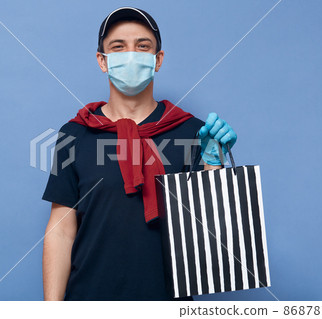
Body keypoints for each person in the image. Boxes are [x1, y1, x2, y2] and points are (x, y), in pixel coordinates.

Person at [41, 7, 237, 301]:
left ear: (158, 60)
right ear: (102, 61)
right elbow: (61, 231)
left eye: (142, 46)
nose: (131, 54)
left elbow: (211, 232)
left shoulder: (192, 132)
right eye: (118, 47)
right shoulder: (75, 134)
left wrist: (213, 160)